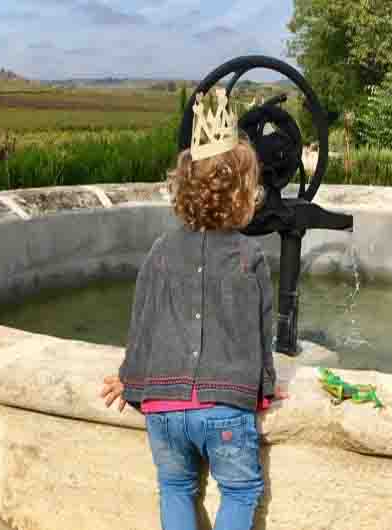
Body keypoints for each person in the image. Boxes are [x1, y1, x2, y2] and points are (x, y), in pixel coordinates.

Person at [99, 88, 289, 530]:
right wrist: (263, 386)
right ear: (245, 195)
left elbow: (142, 321)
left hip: (163, 406)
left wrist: (130, 379)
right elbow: (261, 332)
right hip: (225, 406)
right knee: (241, 491)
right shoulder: (250, 255)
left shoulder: (161, 250)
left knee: (174, 487)